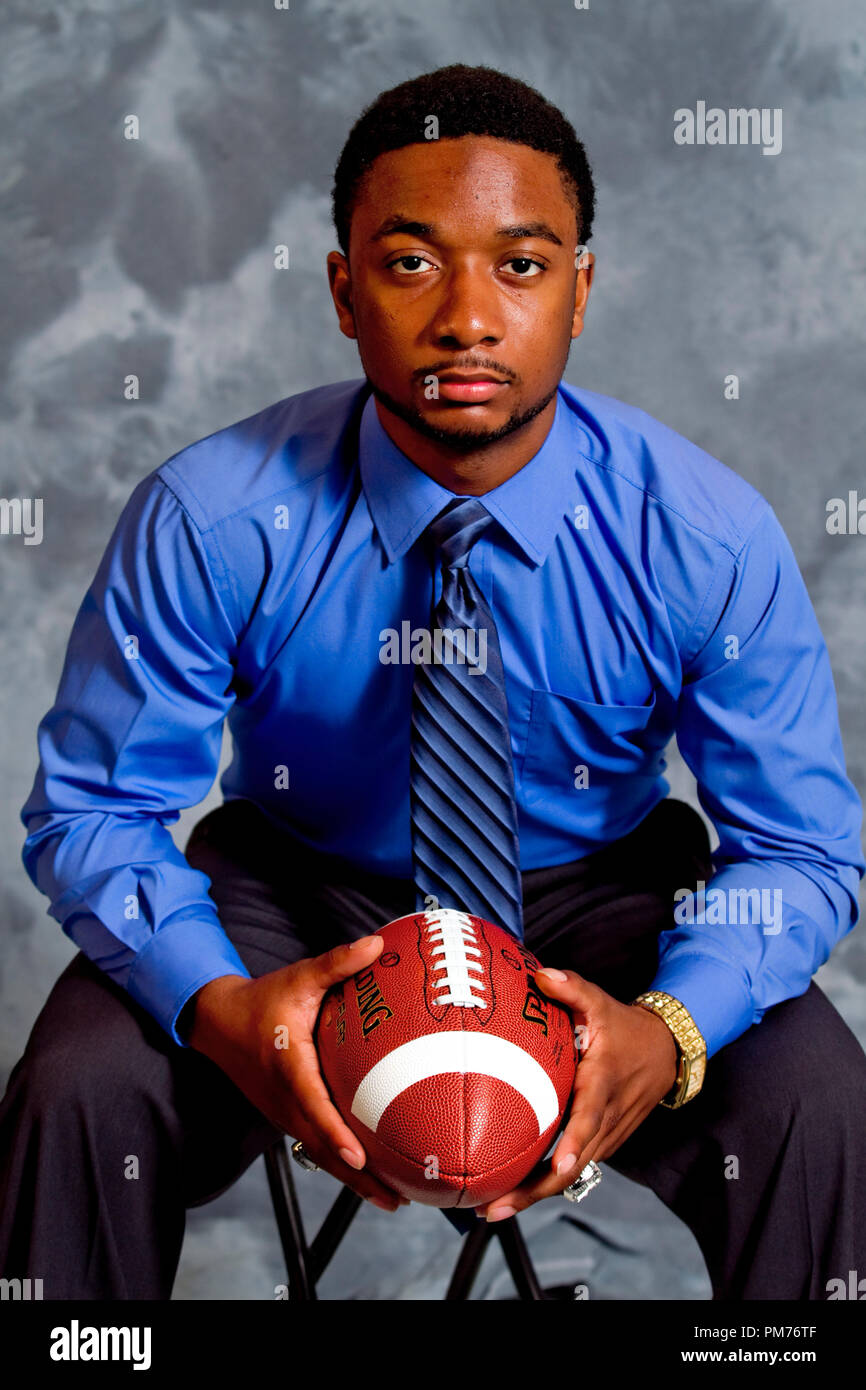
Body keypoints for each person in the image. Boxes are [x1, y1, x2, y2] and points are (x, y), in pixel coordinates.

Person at [1, 63, 864, 1302]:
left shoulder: (703, 533)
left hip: (596, 898)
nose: (467, 316)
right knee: (82, 1083)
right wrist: (217, 1005)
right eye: (410, 262)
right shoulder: (213, 516)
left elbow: (800, 848)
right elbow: (92, 813)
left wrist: (667, 1029)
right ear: (345, 289)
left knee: (816, 1096)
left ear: (580, 289)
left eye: (520, 265)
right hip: (301, 891)